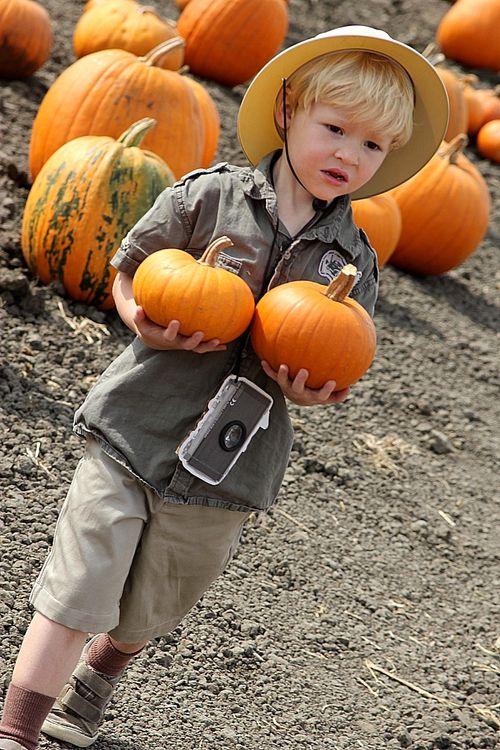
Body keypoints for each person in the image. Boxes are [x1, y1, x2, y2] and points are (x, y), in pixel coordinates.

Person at [0, 25, 448, 750]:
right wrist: (141, 320)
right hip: (135, 427)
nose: (347, 154)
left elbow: (340, 354)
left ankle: (97, 679)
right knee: (79, 584)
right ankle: (18, 728)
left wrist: (312, 394)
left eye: (371, 145)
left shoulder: (354, 258)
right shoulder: (208, 196)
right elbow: (127, 268)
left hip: (231, 463)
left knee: (157, 603)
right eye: (334, 129)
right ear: (287, 113)